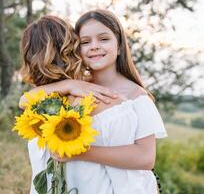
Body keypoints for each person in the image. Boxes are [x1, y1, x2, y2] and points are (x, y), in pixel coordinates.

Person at [20, 10, 167, 194]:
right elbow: (25, 100)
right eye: (85, 42)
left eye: (104, 39)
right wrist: (70, 83)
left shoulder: (135, 96)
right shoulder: (73, 88)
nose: (94, 46)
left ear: (120, 46)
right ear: (75, 48)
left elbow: (146, 158)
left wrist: (78, 152)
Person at [19, 15, 118, 194]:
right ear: (70, 49)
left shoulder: (85, 95)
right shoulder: (40, 102)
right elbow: (24, 100)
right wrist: (69, 85)